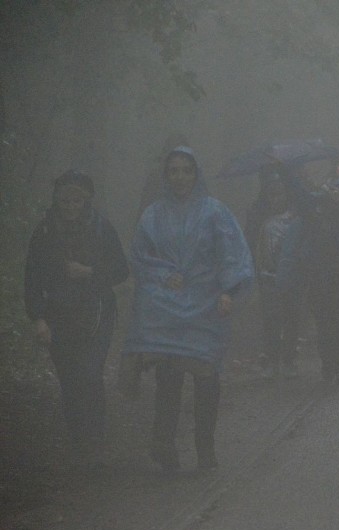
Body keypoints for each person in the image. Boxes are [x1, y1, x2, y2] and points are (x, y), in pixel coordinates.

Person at [122, 146, 254, 472]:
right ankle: (164, 443)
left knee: (207, 376)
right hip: (167, 306)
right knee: (169, 375)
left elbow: (233, 254)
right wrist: (164, 275)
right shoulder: (153, 214)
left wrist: (229, 290)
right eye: (174, 171)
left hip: (206, 307)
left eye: (186, 170)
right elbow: (139, 257)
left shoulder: (215, 213)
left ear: (196, 174)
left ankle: (205, 448)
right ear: (166, 176)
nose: (180, 177)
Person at [25, 169, 129, 464]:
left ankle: (95, 441)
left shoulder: (101, 229)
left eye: (77, 201)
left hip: (97, 313)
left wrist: (90, 273)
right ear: (57, 200)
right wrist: (38, 319)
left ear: (87, 201)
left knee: (90, 373)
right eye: (65, 200)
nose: (71, 207)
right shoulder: (44, 232)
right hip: (58, 316)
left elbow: (121, 270)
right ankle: (78, 442)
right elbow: (32, 278)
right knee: (69, 379)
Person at [284, 170, 339, 384]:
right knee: (323, 324)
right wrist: (291, 172)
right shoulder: (314, 211)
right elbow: (301, 198)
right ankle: (328, 365)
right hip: (317, 277)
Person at [255, 180, 304, 380]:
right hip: (270, 279)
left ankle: (289, 359)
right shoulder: (265, 223)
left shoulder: (295, 221)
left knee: (292, 319)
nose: (276, 199)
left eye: (280, 194)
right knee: (272, 320)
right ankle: (272, 359)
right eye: (272, 195)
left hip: (292, 279)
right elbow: (260, 250)